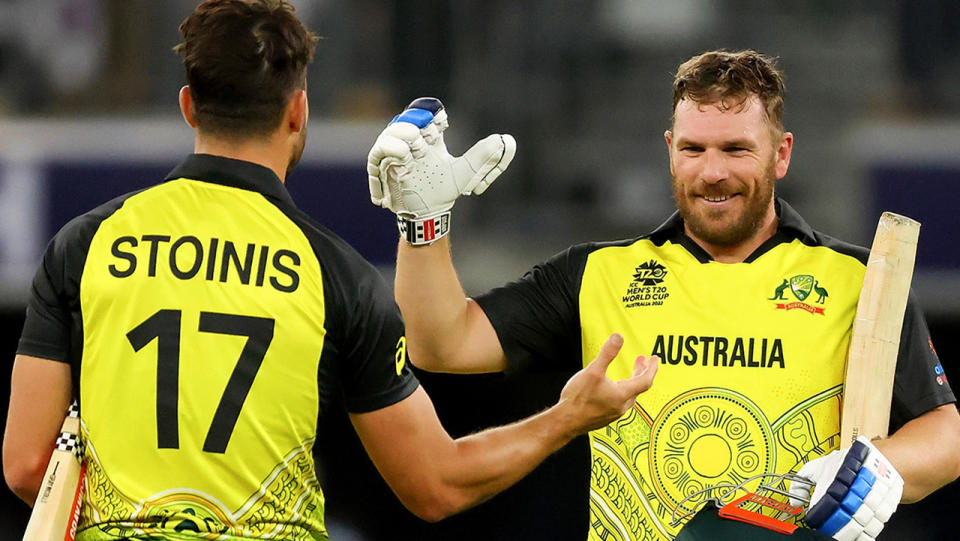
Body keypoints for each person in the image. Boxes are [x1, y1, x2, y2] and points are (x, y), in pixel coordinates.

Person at [1, 1, 660, 539]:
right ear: (298, 112)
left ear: (187, 106)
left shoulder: (84, 245)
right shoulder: (334, 273)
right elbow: (435, 483)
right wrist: (566, 416)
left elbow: (27, 462)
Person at [366, 50, 960, 540]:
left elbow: (945, 434)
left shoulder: (860, 280)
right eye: (694, 149)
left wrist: (879, 473)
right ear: (670, 148)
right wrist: (424, 226)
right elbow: (441, 343)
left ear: (781, 155)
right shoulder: (598, 271)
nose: (712, 172)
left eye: (736, 150)